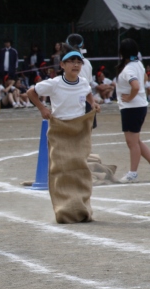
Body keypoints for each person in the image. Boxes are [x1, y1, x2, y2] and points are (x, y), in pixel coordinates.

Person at [26, 44, 101, 223]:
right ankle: (65, 209)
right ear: (62, 65)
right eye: (71, 62)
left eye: (78, 62)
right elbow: (31, 92)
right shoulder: (54, 83)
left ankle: (82, 208)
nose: (75, 65)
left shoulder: (83, 82)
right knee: (61, 169)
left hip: (79, 129)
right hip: (60, 129)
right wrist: (43, 108)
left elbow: (88, 93)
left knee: (80, 168)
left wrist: (94, 103)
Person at [114, 38, 150, 184]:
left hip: (132, 108)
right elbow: (144, 78)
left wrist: (129, 97)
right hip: (139, 106)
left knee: (132, 142)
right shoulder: (138, 64)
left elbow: (135, 86)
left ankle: (133, 173)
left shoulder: (128, 68)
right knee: (135, 140)